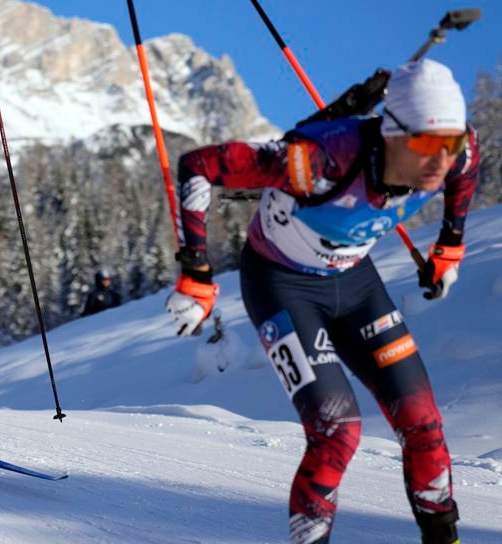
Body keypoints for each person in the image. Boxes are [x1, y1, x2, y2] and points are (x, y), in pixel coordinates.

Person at [165, 60, 477, 544]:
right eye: (425, 144)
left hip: (355, 285)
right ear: (392, 132)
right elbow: (199, 165)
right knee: (337, 431)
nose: (442, 160)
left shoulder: (455, 153)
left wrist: (450, 246)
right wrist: (197, 273)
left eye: (450, 143)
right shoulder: (320, 160)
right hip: (280, 284)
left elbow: (466, 166)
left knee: (423, 423)